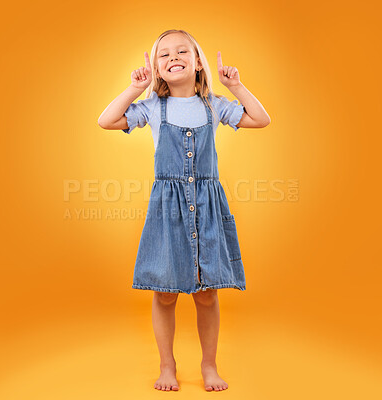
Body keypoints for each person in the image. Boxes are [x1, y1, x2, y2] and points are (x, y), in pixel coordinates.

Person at [98, 29, 271, 392]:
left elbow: (260, 119)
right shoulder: (151, 108)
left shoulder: (215, 105)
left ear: (197, 62)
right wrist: (134, 89)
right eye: (164, 54)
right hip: (168, 210)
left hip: (207, 206)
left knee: (207, 292)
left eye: (182, 51)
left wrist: (236, 87)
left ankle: (209, 365)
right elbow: (107, 120)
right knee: (164, 292)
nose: (173, 57)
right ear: (157, 69)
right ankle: (167, 365)